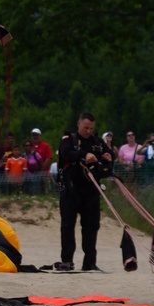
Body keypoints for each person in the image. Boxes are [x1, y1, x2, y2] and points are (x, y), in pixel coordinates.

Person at [57, 111, 113, 272]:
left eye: (91, 128)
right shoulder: (69, 140)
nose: (88, 131)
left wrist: (108, 158)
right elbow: (66, 154)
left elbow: (108, 159)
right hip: (71, 189)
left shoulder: (97, 142)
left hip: (91, 191)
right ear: (79, 124)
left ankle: (89, 262)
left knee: (91, 226)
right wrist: (84, 154)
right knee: (68, 226)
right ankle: (67, 260)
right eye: (86, 127)